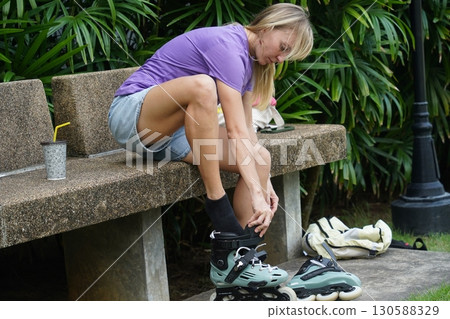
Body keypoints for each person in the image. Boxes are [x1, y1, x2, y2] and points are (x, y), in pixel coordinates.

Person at [109, 3, 314, 238]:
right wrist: (256, 193)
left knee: (260, 158)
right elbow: (234, 131)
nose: (280, 58)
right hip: (132, 118)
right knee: (204, 86)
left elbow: (246, 127)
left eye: (287, 54)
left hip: (172, 136)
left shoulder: (249, 63)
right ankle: (217, 201)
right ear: (267, 28)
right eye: (283, 47)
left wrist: (264, 180)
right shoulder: (228, 46)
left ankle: (240, 253)